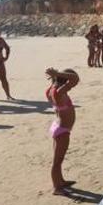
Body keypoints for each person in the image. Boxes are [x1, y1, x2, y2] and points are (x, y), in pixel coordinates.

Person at [45, 67, 79, 195]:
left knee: (59, 159)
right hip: (62, 130)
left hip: (58, 126)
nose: (72, 86)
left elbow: (72, 80)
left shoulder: (51, 89)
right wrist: (57, 74)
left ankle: (61, 181)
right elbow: (75, 79)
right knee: (57, 161)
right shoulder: (59, 92)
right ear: (65, 82)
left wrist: (56, 76)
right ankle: (56, 188)